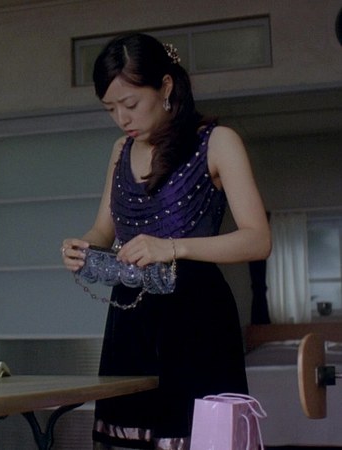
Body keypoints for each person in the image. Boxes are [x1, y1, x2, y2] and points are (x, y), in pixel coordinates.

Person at [61, 33, 271, 450]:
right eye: (110, 109)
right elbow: (103, 230)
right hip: (131, 318)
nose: (122, 118)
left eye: (131, 103)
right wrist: (83, 246)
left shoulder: (217, 141)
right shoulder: (121, 150)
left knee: (197, 435)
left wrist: (173, 247)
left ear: (166, 87)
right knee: (127, 431)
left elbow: (257, 240)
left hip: (195, 316)